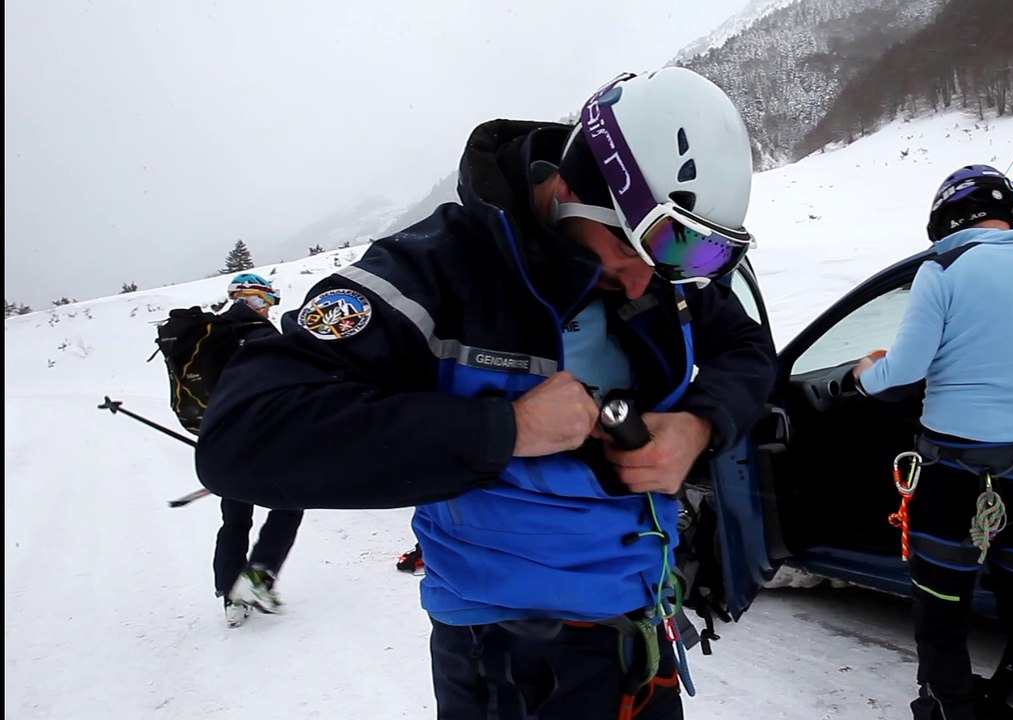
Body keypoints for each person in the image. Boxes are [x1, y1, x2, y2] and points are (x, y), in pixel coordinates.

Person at [196, 67, 776, 718]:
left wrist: (698, 424)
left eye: (688, 258)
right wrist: (505, 430)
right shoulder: (438, 271)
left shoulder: (662, 266)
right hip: (509, 660)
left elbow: (748, 348)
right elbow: (241, 435)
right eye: (640, 249)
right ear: (568, 190)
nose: (649, 284)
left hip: (643, 631)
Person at [852, 165, 1013, 720]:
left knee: (941, 615)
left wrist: (866, 371)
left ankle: (952, 709)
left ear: (944, 218)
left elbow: (902, 374)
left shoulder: (943, 270)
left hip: (953, 478)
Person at [213, 273, 305, 627]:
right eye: (267, 301)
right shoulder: (263, 337)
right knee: (290, 506)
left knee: (235, 519)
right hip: (263, 443)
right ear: (250, 300)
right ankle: (256, 581)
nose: (269, 308)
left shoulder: (210, 336)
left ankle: (229, 596)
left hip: (221, 446)